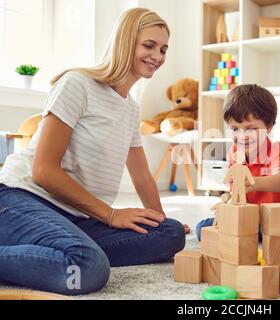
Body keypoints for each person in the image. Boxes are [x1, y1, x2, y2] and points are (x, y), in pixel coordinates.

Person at [0, 8, 186, 295]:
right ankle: (68, 250)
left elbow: (142, 178)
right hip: (21, 198)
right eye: (149, 46)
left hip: (79, 215)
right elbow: (43, 171)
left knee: (170, 234)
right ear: (125, 42)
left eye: (163, 49)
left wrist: (158, 219)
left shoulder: (130, 108)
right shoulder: (78, 84)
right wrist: (111, 215)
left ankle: (58, 246)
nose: (158, 57)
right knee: (86, 268)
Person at [196, 84, 280, 241]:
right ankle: (252, 235)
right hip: (252, 219)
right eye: (235, 129)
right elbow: (236, 195)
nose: (242, 136)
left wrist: (253, 183)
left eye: (251, 129)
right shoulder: (234, 154)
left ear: (269, 127)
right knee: (202, 228)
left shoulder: (275, 150)